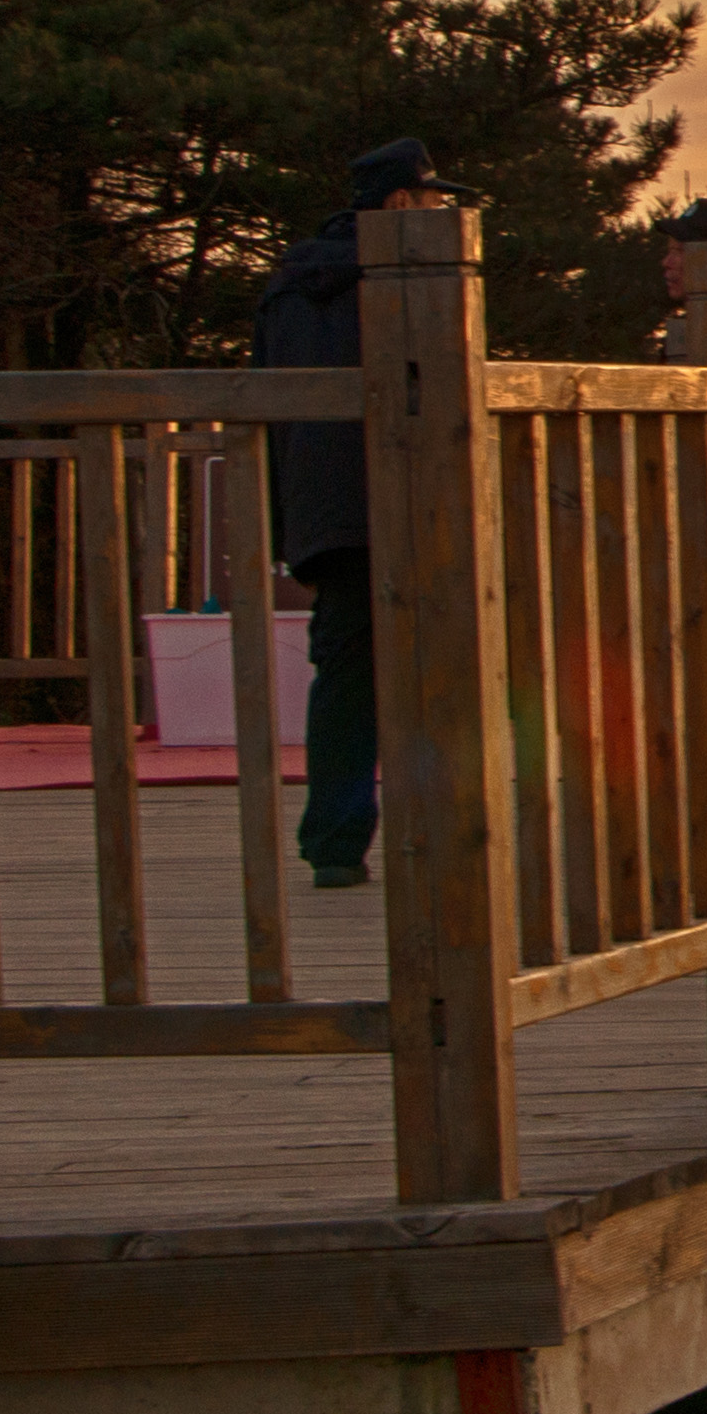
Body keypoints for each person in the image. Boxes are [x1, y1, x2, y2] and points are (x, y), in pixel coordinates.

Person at [249, 138, 450, 888]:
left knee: (344, 674)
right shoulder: (405, 280)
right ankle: (443, 834)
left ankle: (335, 840)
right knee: (440, 668)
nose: (438, 214)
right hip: (408, 497)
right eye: (432, 200)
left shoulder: (289, 284)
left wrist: (291, 516)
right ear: (401, 204)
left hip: (324, 511)